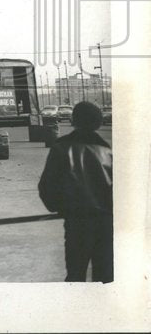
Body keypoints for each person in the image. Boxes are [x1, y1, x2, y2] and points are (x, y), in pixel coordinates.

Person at [38, 100, 113, 282]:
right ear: (98, 122)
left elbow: (46, 186)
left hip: (77, 222)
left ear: (74, 120)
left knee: (76, 273)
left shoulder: (62, 147)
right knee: (105, 276)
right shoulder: (106, 150)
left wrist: (60, 208)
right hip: (106, 222)